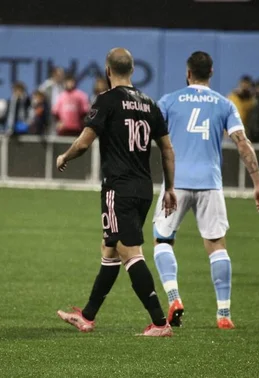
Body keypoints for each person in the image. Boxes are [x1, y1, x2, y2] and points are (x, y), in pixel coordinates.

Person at [55, 48, 177, 337]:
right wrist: (170, 188)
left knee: (129, 253)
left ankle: (160, 323)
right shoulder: (150, 104)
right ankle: (87, 316)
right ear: (132, 71)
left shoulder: (106, 101)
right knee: (109, 250)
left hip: (118, 188)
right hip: (143, 189)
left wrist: (65, 157)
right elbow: (168, 149)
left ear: (108, 71)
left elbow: (84, 143)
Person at [152, 51, 259, 330]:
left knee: (162, 241)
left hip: (176, 183)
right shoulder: (224, 104)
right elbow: (242, 143)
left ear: (188, 72)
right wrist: (258, 184)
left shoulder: (169, 101)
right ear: (211, 73)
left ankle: (174, 298)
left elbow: (148, 138)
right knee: (216, 246)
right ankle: (224, 314)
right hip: (210, 184)